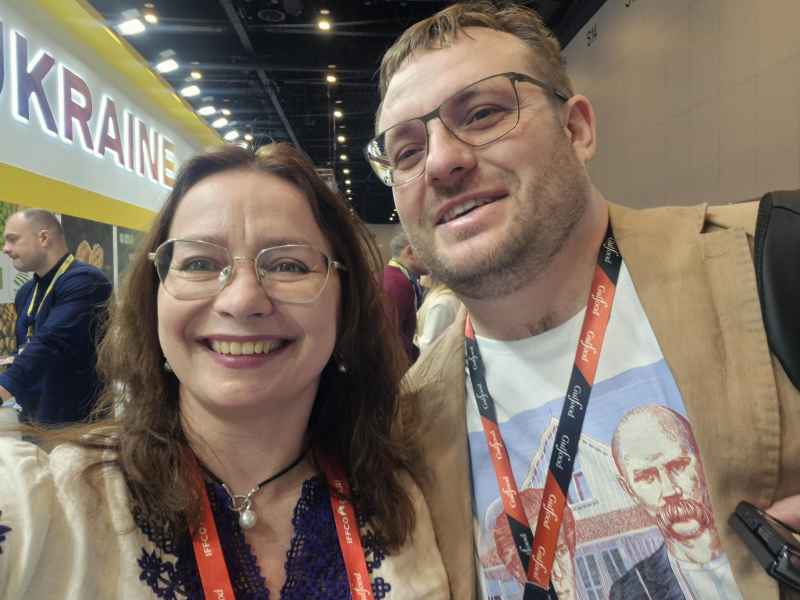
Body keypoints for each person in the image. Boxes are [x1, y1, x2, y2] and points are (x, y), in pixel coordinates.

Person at [366, 2, 800, 599]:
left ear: (577, 129)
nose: (441, 161)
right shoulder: (412, 423)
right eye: (407, 151)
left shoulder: (771, 260)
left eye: (484, 113)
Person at [0, 143, 449, 599]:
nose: (242, 300)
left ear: (344, 304)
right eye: (199, 263)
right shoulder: (54, 504)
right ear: (155, 298)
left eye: (288, 265)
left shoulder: (407, 494)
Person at [610, 405, 739, 599]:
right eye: (647, 477)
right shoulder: (629, 593)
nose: (670, 490)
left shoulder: (759, 539)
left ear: (703, 461)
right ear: (629, 490)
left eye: (678, 465)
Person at [0, 209, 111, 424]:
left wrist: (5, 385)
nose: (6, 249)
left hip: (79, 423)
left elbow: (52, 341)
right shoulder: (25, 292)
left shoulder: (87, 281)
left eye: (13, 240)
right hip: (33, 419)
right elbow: (28, 346)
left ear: (43, 238)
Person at [383, 231, 426, 361]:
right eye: (426, 252)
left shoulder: (394, 277)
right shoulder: (397, 282)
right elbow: (391, 335)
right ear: (410, 251)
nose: (432, 259)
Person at [415, 277, 460, 354]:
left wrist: (412, 337)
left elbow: (428, 346)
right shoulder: (439, 296)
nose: (420, 276)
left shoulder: (441, 303)